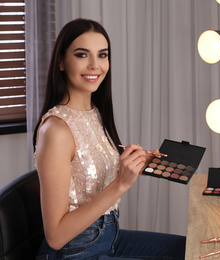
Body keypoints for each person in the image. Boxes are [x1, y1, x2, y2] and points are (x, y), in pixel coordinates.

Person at [33, 18, 186, 260]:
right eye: (82, 55)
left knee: (189, 250)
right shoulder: (55, 130)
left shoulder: (94, 113)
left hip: (108, 237)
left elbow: (88, 171)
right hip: (74, 252)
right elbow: (55, 235)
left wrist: (134, 162)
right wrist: (121, 184)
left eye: (102, 55)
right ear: (61, 61)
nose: (95, 65)